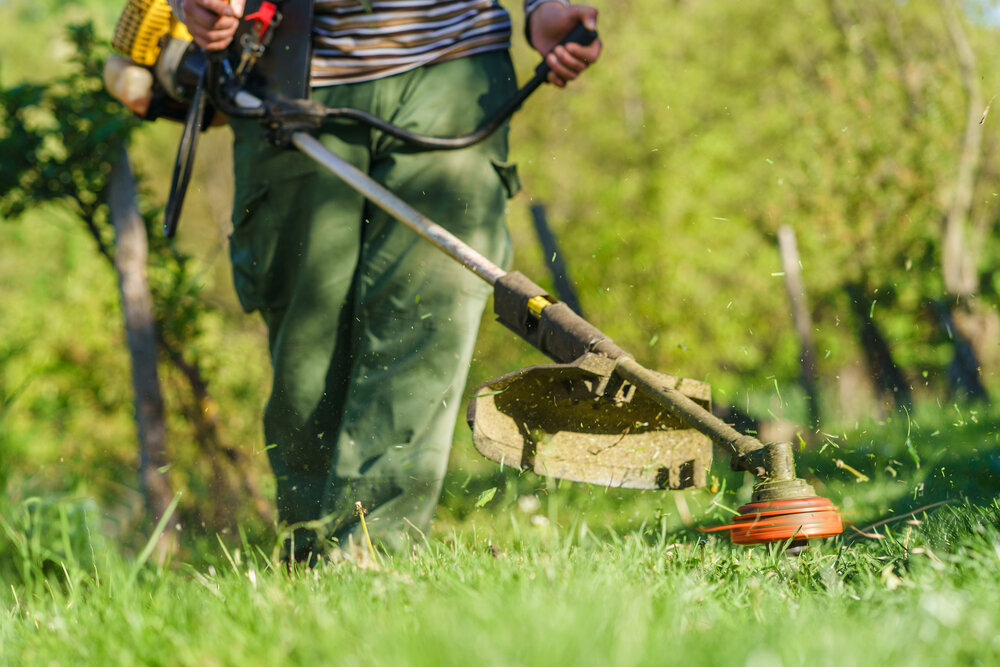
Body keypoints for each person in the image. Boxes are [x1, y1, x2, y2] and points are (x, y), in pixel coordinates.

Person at [174, 0, 601, 558]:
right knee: (308, 357)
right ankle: (306, 557)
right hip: (290, 72)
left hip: (454, 65)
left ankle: (370, 560)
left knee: (427, 324)